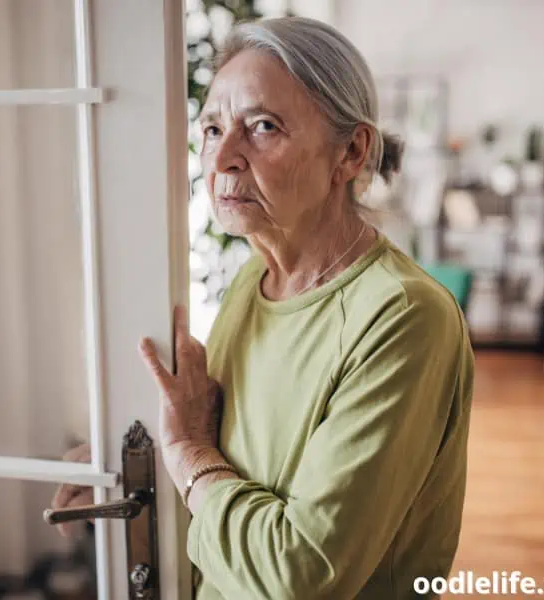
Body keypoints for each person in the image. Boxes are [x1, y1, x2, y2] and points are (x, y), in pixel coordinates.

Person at [53, 16, 474, 600]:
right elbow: (230, 454)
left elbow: (299, 574)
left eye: (263, 127)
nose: (222, 156)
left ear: (352, 152)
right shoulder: (255, 278)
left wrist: (187, 454)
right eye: (212, 128)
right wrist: (136, 463)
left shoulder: (404, 317)